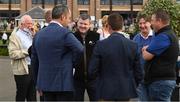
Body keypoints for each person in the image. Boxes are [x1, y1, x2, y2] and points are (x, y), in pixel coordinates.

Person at [31, 5, 83, 101]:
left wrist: (38, 83)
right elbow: (80, 49)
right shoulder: (65, 33)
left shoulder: (38, 34)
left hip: (45, 83)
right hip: (63, 83)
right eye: (69, 17)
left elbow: (34, 61)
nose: (69, 20)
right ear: (63, 17)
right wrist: (73, 64)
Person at [88, 13, 143, 101]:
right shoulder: (133, 45)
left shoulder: (101, 45)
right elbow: (139, 72)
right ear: (122, 26)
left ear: (108, 26)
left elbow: (92, 70)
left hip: (105, 90)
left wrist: (98, 85)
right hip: (125, 90)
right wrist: (131, 84)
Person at [142, 9, 179, 101]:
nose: (151, 23)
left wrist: (144, 49)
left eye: (152, 20)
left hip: (160, 81)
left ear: (159, 21)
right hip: (163, 81)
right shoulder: (169, 34)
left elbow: (146, 56)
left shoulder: (163, 36)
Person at [8, 15, 36, 101]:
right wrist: (28, 51)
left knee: (32, 95)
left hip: (33, 67)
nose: (30, 25)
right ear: (22, 24)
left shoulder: (31, 33)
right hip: (22, 69)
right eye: (28, 23)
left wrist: (35, 36)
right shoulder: (15, 36)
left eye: (32, 23)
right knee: (21, 94)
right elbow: (12, 54)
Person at [73, 14, 100, 101]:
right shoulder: (72, 37)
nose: (83, 26)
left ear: (90, 25)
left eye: (85, 24)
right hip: (77, 79)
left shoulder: (96, 37)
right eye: (81, 23)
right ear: (77, 23)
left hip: (93, 79)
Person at [133, 14, 153, 101]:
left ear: (150, 23)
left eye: (145, 23)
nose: (142, 26)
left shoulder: (157, 37)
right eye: (140, 23)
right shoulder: (135, 39)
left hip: (154, 78)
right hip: (140, 79)